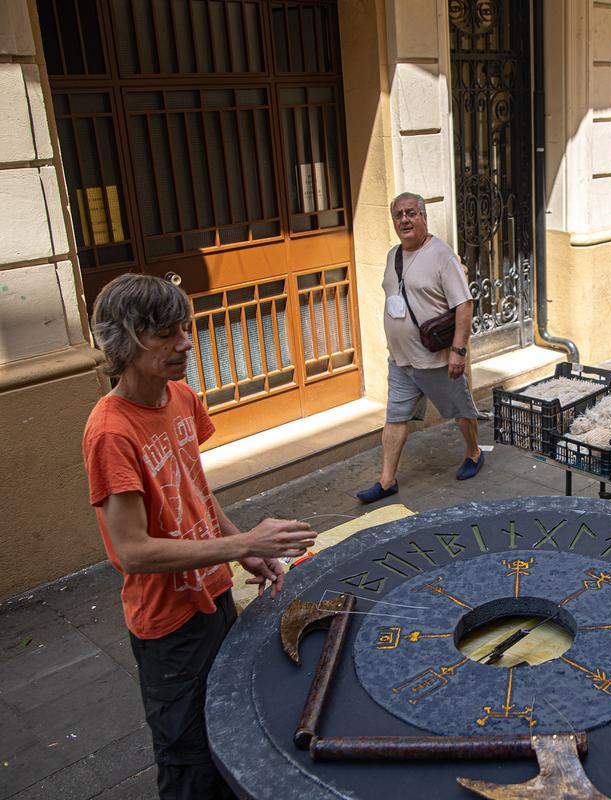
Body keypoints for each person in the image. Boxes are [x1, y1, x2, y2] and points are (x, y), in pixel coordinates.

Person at [82, 273, 316, 798]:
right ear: (125, 340)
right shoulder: (110, 432)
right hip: (168, 630)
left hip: (213, 600)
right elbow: (132, 552)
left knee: (233, 733)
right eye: (166, 333)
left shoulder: (182, 397)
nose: (186, 343)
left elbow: (194, 491)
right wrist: (246, 544)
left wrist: (241, 555)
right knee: (189, 765)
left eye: (182, 329)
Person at [356, 192, 483, 503]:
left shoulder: (442, 256)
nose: (405, 220)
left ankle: (474, 452)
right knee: (395, 417)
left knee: (460, 412)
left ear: (424, 217)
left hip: (437, 360)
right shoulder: (393, 255)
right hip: (400, 360)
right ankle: (387, 481)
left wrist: (458, 351)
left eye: (411, 213)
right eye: (399, 215)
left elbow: (464, 305)